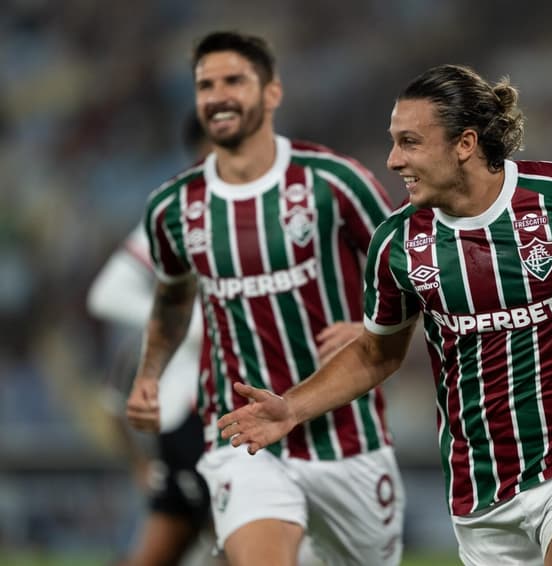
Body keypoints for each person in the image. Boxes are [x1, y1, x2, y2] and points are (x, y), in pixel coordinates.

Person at [217, 63, 552, 566]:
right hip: (480, 487)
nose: (393, 160)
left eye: (410, 142)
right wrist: (292, 409)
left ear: (465, 144)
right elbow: (377, 352)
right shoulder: (398, 243)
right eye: (393, 142)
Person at [125, 31, 404, 566]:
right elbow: (173, 299)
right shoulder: (172, 207)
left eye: (234, 81)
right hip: (242, 436)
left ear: (272, 92)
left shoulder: (335, 182)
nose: (217, 96)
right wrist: (149, 372)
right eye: (205, 85)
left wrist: (373, 327)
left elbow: (412, 272)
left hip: (347, 436)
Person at [88, 112, 217, 566]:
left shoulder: (271, 210)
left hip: (230, 410)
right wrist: (194, 323)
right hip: (196, 414)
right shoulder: (182, 215)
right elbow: (107, 293)